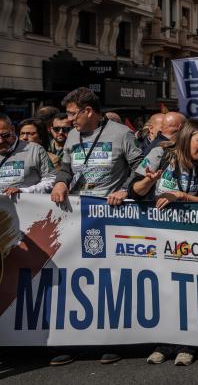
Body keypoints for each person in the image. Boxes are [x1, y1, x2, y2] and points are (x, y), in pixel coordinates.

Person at [49, 88, 143, 366]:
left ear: (88, 111)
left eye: (72, 113)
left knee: (109, 280)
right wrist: (61, 181)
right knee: (73, 280)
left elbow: (140, 166)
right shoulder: (72, 137)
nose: (68, 120)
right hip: (75, 217)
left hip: (110, 217)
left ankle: (112, 341)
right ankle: (73, 342)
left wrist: (126, 190)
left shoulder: (120, 133)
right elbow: (66, 167)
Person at [130, 120, 198, 366]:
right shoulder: (160, 154)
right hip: (159, 234)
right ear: (187, 139)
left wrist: (181, 195)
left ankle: (188, 345)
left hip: (191, 236)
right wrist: (149, 181)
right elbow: (134, 191)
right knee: (164, 289)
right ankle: (164, 344)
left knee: (189, 290)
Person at [0, 113, 56, 196]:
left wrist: (24, 191)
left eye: (4, 135)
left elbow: (51, 180)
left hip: (27, 206)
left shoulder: (35, 149)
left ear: (12, 129)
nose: (0, 141)